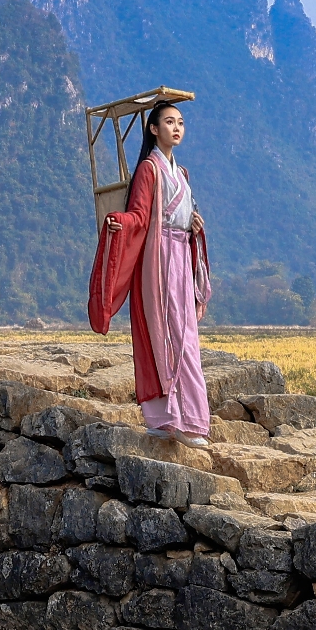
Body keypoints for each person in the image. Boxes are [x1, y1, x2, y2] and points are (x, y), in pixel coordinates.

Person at [117, 102, 213, 447]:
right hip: (158, 260)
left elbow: (186, 216)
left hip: (179, 258)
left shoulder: (181, 173)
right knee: (169, 335)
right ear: (153, 129)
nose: (177, 128)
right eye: (169, 122)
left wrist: (194, 226)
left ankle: (177, 418)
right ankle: (179, 421)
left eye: (181, 122)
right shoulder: (149, 169)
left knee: (184, 335)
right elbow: (140, 215)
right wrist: (121, 222)